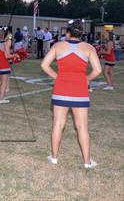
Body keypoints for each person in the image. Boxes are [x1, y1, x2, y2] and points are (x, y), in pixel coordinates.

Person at [41, 19, 102, 169]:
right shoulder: (88, 48)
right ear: (81, 33)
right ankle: (87, 162)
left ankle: (54, 158)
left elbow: (44, 65)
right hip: (80, 91)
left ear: (68, 32)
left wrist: (58, 77)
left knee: (58, 124)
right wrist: (85, 79)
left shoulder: (58, 46)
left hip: (61, 90)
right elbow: (98, 70)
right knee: (82, 127)